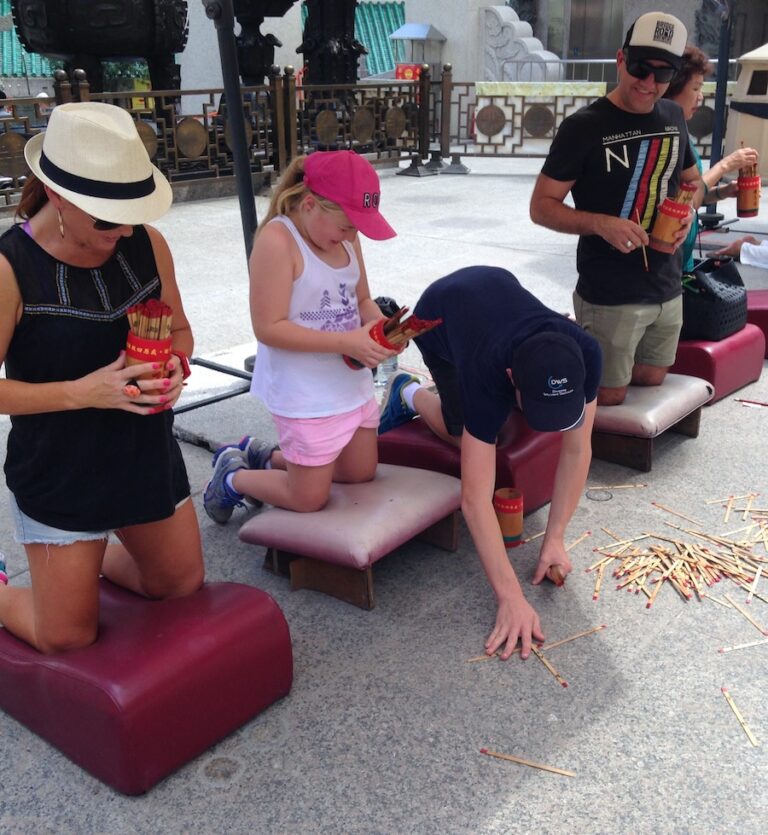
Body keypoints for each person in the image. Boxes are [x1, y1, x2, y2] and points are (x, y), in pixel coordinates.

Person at [0, 102, 204, 653]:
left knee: (179, 585)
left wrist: (175, 368)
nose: (126, 229)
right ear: (60, 197)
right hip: (59, 467)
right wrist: (84, 393)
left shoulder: (146, 243)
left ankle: (85, 560)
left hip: (142, 454)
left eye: (134, 211)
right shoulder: (10, 268)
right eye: (108, 217)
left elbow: (181, 331)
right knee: (65, 635)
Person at [378, 265, 602, 661]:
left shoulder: (586, 351)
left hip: (497, 286)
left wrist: (555, 538)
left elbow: (577, 448)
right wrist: (510, 597)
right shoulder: (487, 370)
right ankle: (407, 393)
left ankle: (473, 407)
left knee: (496, 430)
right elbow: (474, 499)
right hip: (439, 316)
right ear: (512, 377)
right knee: (467, 432)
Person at [203, 150, 398, 523]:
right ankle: (233, 478)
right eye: (346, 227)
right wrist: (346, 342)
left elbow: (361, 300)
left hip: (349, 379)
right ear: (310, 205)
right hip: (303, 389)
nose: (352, 235)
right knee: (308, 497)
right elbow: (268, 327)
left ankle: (264, 455)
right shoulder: (278, 241)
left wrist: (384, 330)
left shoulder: (345, 237)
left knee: (360, 472)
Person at [530, 11, 701, 406]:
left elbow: (692, 182)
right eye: (640, 67)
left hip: (667, 282)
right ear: (620, 59)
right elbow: (541, 207)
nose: (648, 83)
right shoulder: (584, 126)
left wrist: (686, 211)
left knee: (652, 377)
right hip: (609, 287)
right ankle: (548, 362)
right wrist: (600, 224)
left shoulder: (674, 115)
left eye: (663, 74)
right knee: (607, 395)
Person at [663, 46, 759, 273]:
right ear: (671, 89)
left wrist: (722, 192)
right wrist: (726, 165)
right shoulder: (667, 136)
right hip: (668, 257)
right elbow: (682, 200)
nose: (700, 96)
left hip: (682, 260)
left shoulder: (683, 131)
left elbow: (693, 196)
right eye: (695, 87)